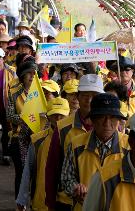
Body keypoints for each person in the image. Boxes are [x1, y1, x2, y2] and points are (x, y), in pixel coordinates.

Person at [45, 74, 104, 211]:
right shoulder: (63, 127)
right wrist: (50, 201)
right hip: (67, 202)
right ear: (77, 97)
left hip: (101, 200)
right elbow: (53, 166)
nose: (89, 101)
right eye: (85, 95)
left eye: (94, 96)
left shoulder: (107, 128)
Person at [61, 93, 129, 211]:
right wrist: (75, 188)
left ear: (118, 120)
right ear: (92, 119)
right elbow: (66, 178)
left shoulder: (129, 146)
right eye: (102, 117)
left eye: (112, 117)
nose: (107, 123)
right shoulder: (76, 144)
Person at [16, 97, 70, 211]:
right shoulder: (37, 140)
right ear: (48, 116)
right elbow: (27, 171)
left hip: (68, 202)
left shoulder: (75, 140)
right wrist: (22, 199)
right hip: (41, 202)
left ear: (69, 115)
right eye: (54, 115)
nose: (58, 119)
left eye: (62, 115)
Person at [7, 59, 38, 197]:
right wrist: (26, 119)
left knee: (36, 172)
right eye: (29, 73)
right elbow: (9, 115)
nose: (32, 76)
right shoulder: (13, 94)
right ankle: (19, 202)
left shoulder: (42, 93)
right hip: (18, 137)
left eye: (34, 73)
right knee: (21, 171)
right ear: (23, 76)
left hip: (38, 138)